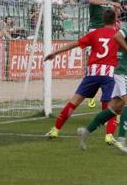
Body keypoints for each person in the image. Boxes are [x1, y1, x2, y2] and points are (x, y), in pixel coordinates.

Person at [77, 3, 127, 155]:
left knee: (114, 108)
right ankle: (122, 140)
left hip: (126, 70)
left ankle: (86, 131)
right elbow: (117, 36)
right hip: (125, 71)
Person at [45, 9, 120, 142]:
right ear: (115, 20)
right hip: (109, 73)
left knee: (74, 102)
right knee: (110, 105)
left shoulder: (95, 33)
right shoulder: (118, 35)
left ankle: (55, 130)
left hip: (92, 72)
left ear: (103, 20)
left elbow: (75, 44)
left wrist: (55, 52)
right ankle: (109, 135)